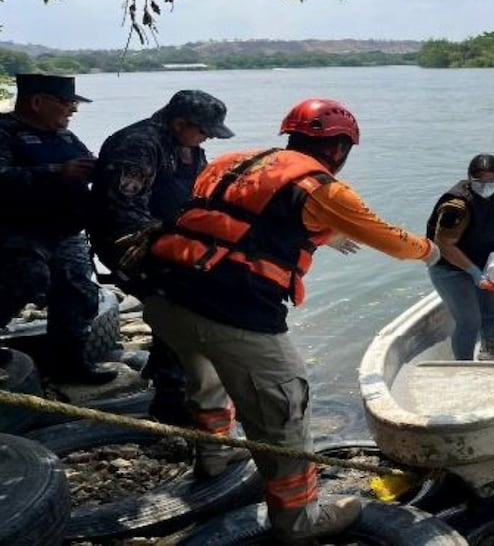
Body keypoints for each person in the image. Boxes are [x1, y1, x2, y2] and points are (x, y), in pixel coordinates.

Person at [140, 98, 440, 543]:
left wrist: (324, 234)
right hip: (233, 313)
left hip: (165, 297)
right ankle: (299, 521)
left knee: (206, 382)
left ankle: (214, 459)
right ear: (339, 148)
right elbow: (392, 241)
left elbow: (242, 219)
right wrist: (432, 251)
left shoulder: (230, 161)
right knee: (285, 409)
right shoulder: (323, 189)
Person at [88, 89, 234, 425]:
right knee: (182, 306)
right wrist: (179, 244)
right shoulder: (137, 145)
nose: (207, 138)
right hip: (131, 243)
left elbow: (202, 193)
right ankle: (172, 402)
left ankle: (167, 372)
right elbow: (123, 212)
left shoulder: (187, 145)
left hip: (171, 237)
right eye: (204, 131)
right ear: (180, 122)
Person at [0, 74, 118, 385]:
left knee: (79, 291)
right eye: (67, 103)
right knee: (22, 282)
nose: (72, 110)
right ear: (38, 102)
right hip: (16, 231)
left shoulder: (64, 136)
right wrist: (55, 172)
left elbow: (83, 164)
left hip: (65, 231)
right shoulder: (5, 131)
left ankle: (70, 362)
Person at [426, 154, 494, 361]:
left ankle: (489, 350)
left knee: (492, 311)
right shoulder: (456, 205)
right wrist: (473, 272)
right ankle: (463, 365)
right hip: (450, 268)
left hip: (487, 263)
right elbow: (444, 244)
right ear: (470, 178)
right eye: (480, 181)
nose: (486, 186)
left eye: (492, 180)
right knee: (469, 320)